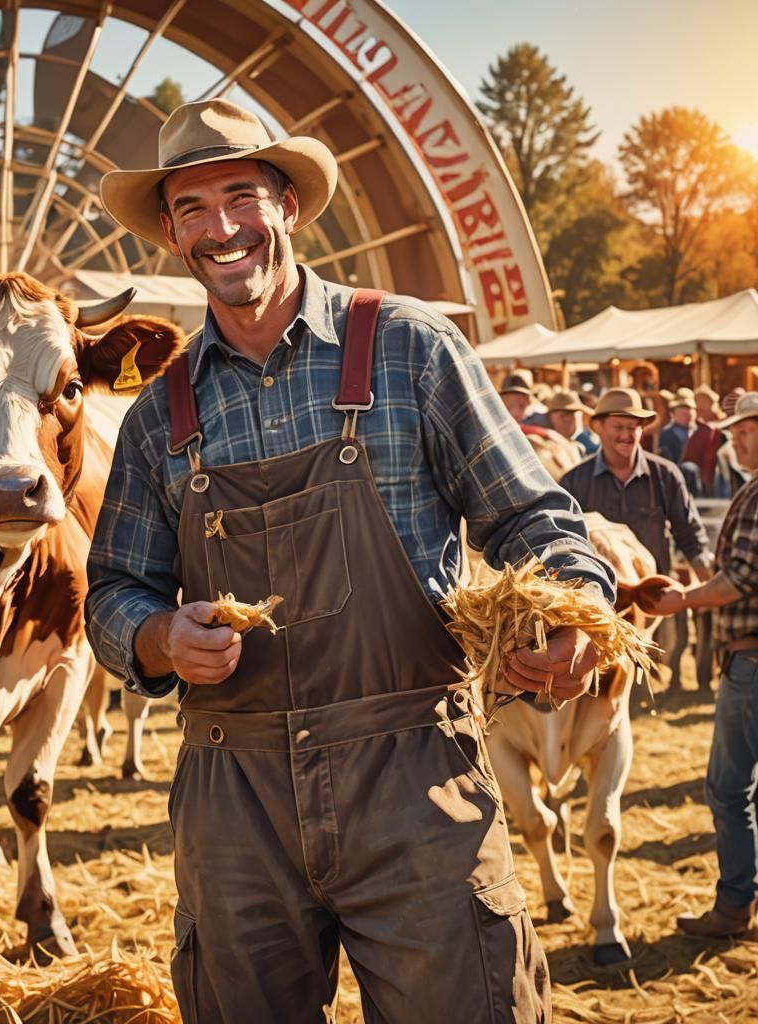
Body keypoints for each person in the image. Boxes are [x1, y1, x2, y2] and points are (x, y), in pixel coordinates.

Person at [86, 98, 617, 1022]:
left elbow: (533, 517)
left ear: (287, 204)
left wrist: (574, 607)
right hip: (233, 792)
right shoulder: (156, 415)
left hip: (416, 777)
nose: (222, 229)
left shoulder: (409, 349)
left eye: (241, 196)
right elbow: (111, 594)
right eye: (193, 209)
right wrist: (160, 635)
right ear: (171, 233)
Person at [637, 393, 758, 937]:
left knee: (728, 789)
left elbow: (741, 580)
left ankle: (735, 906)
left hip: (752, 660)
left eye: (753, 430)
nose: (741, 439)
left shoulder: (757, 494)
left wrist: (683, 599)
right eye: (739, 431)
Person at [559, 388, 711, 582]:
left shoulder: (665, 475)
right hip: (598, 599)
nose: (626, 435)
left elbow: (689, 534)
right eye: (619, 427)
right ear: (598, 426)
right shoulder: (574, 481)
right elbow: (564, 541)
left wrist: (706, 581)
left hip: (655, 595)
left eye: (633, 428)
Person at [544, 388, 599, 454]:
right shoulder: (545, 445)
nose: (568, 419)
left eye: (573, 413)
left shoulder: (582, 438)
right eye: (563, 415)